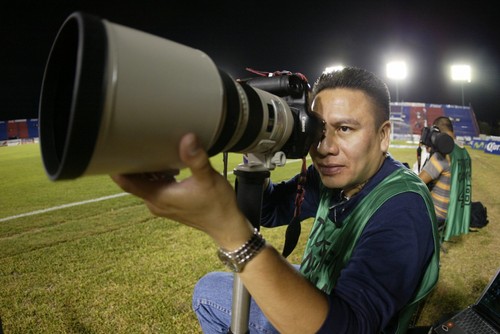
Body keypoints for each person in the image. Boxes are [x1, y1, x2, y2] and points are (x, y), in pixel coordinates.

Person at [111, 67, 440, 333]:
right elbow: (269, 210)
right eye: (319, 130)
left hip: (339, 319)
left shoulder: (402, 206)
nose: (324, 148)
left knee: (209, 293)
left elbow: (349, 326)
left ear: (384, 136)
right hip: (327, 282)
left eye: (345, 129)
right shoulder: (337, 175)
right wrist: (258, 156)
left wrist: (232, 235)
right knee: (220, 283)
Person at [418, 116, 472, 242]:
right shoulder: (464, 152)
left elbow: (418, 182)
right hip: (455, 211)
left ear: (437, 132)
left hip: (438, 213)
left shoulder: (443, 155)